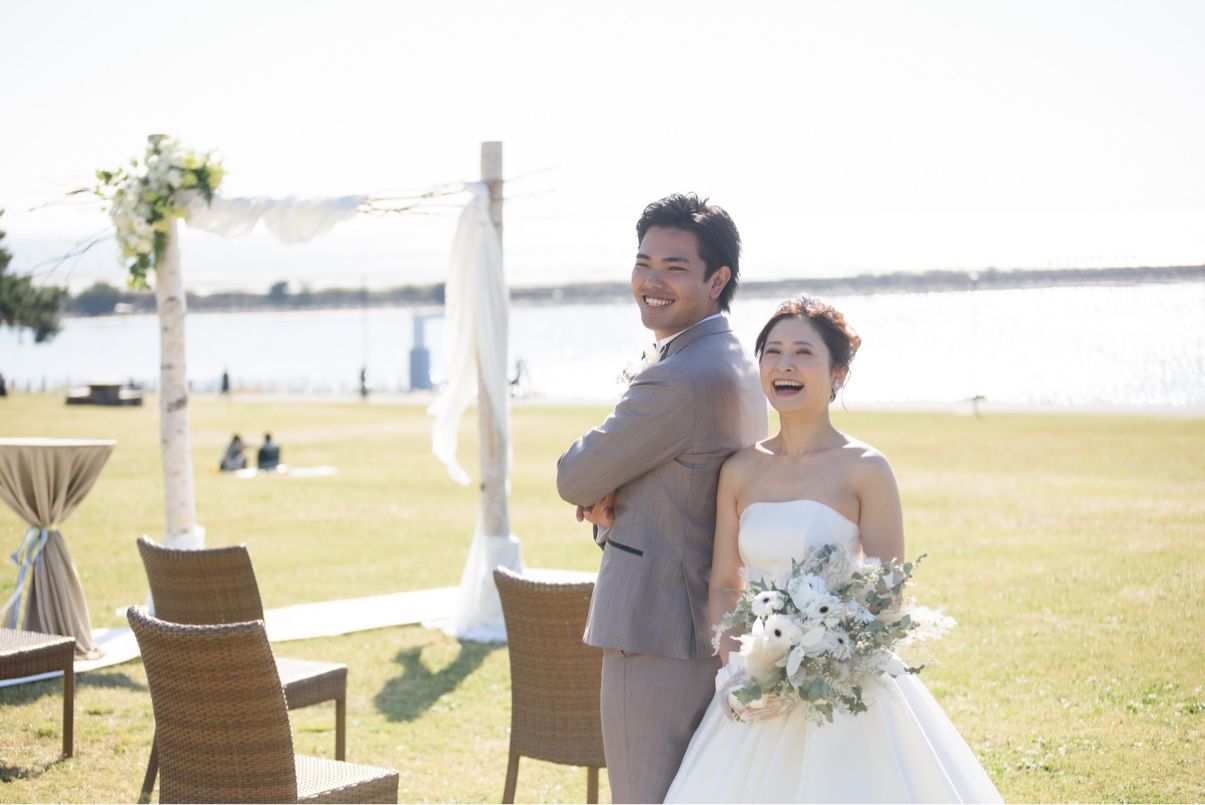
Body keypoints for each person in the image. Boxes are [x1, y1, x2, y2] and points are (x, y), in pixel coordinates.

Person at [664, 296, 1002, 803]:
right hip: (756, 684)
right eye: (773, 351)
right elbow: (724, 585)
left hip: (842, 686)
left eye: (803, 353)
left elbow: (887, 594)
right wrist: (739, 672)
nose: (785, 365)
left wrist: (816, 659)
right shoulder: (739, 470)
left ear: (837, 373)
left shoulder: (866, 468)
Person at [557, 193, 767, 804]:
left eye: (674, 267)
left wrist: (603, 486)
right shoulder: (731, 359)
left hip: (655, 627)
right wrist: (614, 491)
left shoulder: (680, 375)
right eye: (643, 263)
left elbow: (574, 476)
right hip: (702, 621)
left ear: (717, 280)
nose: (651, 281)